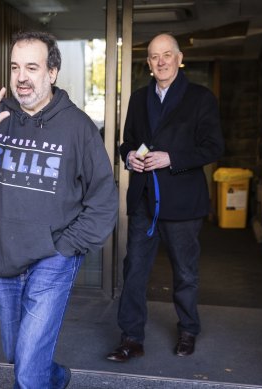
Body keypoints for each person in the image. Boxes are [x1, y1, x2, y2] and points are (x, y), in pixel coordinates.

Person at [0, 31, 118, 388]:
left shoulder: (78, 128)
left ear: (52, 73)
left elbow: (104, 198)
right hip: (4, 257)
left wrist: (66, 247)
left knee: (26, 372)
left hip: (52, 257)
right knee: (17, 354)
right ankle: (56, 376)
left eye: (32, 67)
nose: (21, 77)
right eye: (15, 67)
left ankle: (39, 375)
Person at [106, 33, 224, 362]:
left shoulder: (201, 98)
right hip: (145, 200)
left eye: (167, 55)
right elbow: (128, 142)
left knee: (184, 272)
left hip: (183, 204)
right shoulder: (139, 98)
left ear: (179, 57)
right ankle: (131, 337)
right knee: (134, 271)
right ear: (148, 64)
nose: (161, 61)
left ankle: (188, 330)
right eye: (155, 56)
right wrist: (130, 157)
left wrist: (171, 157)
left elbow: (214, 147)